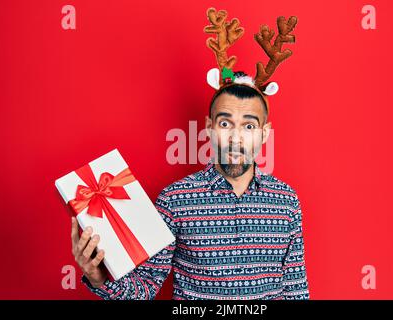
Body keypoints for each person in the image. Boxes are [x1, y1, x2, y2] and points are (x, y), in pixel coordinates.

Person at [70, 7, 309, 300]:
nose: (235, 136)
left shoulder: (286, 202)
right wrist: (96, 276)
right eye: (225, 123)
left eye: (248, 125)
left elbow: (296, 291)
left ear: (264, 134)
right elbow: (144, 287)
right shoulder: (175, 201)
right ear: (209, 128)